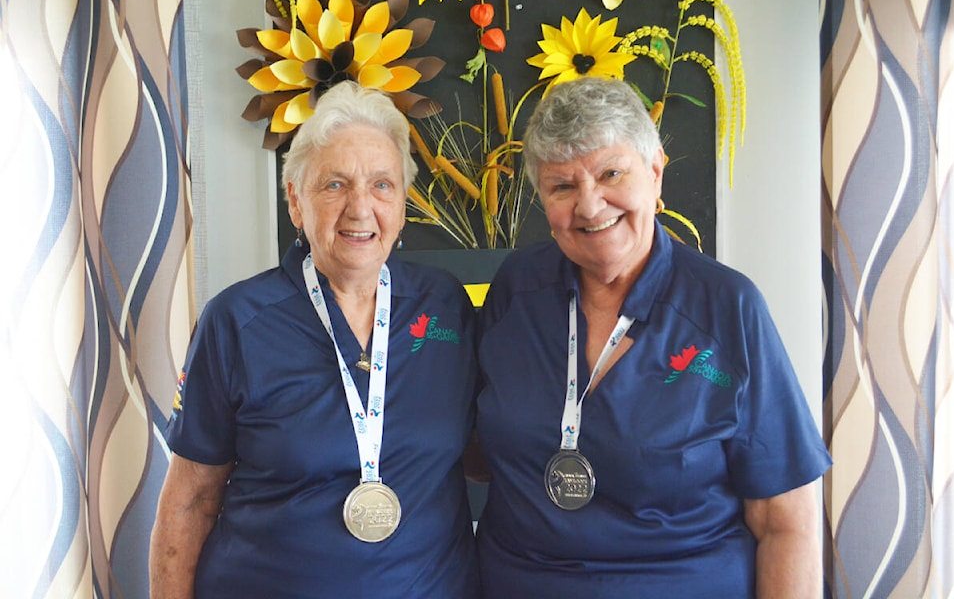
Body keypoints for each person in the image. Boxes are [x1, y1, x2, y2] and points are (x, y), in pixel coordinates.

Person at [474, 76, 832, 598]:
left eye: (610, 173)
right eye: (563, 187)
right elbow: (476, 450)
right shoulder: (515, 288)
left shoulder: (727, 307)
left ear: (656, 172)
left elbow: (786, 522)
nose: (591, 206)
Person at [149, 81, 479, 598]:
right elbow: (190, 499)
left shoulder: (446, 306)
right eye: (335, 185)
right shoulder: (236, 322)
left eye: (382, 185)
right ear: (296, 202)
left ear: (403, 205)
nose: (359, 207)